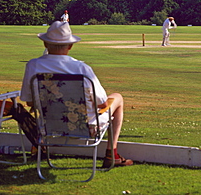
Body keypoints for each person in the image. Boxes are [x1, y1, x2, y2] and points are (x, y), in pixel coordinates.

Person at [18, 21, 133, 168]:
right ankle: (112, 154)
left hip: (49, 127)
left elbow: (29, 102)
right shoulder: (81, 68)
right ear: (70, 46)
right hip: (85, 128)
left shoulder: (33, 66)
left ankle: (40, 146)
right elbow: (103, 104)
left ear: (45, 44)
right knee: (117, 98)